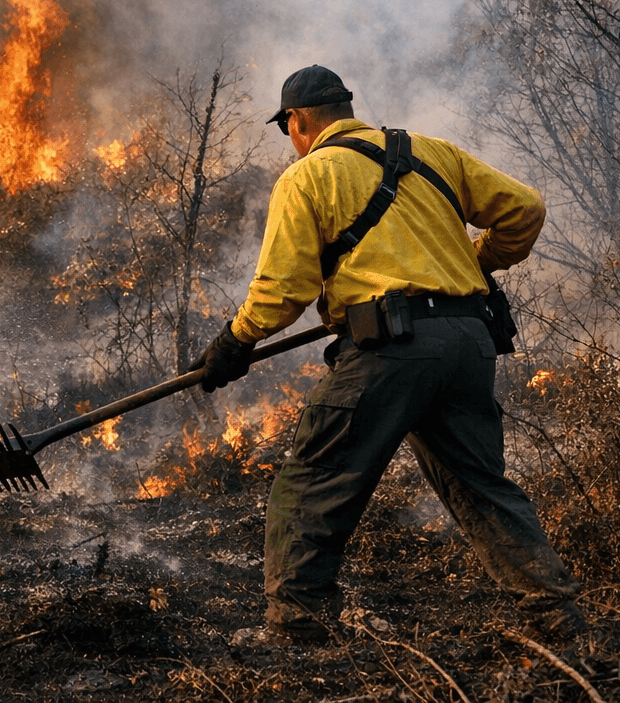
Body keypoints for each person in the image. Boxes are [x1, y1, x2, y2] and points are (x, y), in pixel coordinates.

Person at [187, 65, 584, 644]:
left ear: (297, 121)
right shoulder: (431, 152)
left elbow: (282, 291)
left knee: (312, 483)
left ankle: (297, 629)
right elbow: (525, 208)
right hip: (468, 343)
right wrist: (474, 265)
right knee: (481, 487)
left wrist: (234, 343)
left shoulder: (309, 176)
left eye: (286, 128)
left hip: (390, 349)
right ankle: (558, 618)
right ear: (346, 109)